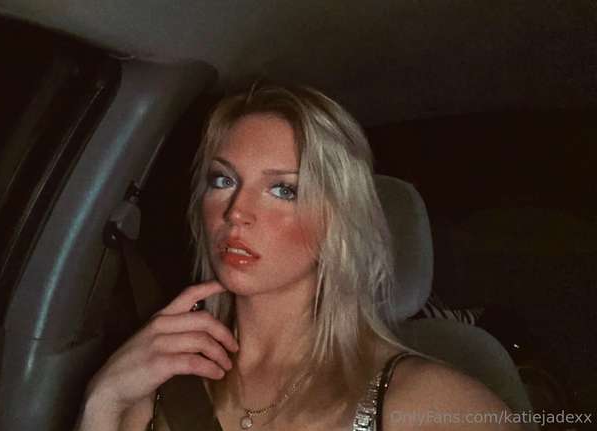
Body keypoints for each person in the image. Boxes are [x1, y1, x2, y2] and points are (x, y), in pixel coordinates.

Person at [77, 83, 518, 430]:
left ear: (337, 222)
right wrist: (102, 403)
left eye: (283, 190)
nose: (236, 212)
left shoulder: (430, 403)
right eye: (223, 181)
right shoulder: (158, 383)